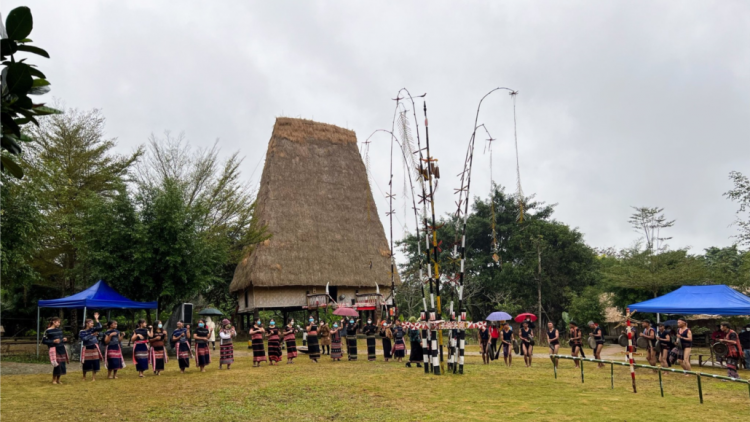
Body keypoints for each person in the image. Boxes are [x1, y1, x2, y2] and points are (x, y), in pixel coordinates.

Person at [42, 316, 69, 384]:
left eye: (59, 322)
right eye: (58, 322)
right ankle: (54, 379)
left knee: (62, 364)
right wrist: (53, 341)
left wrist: (64, 340)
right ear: (54, 322)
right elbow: (44, 341)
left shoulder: (59, 330)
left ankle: (58, 379)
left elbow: (60, 339)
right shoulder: (48, 331)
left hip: (61, 348)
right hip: (54, 349)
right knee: (57, 364)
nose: (59, 324)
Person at [79, 312, 103, 381]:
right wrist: (92, 335)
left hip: (94, 347)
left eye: (93, 323)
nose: (93, 324)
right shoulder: (82, 331)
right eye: (91, 323)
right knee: (86, 362)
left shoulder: (93, 329)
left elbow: (100, 327)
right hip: (87, 347)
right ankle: (84, 376)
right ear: (87, 324)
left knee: (95, 362)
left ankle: (93, 377)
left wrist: (97, 319)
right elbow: (84, 339)